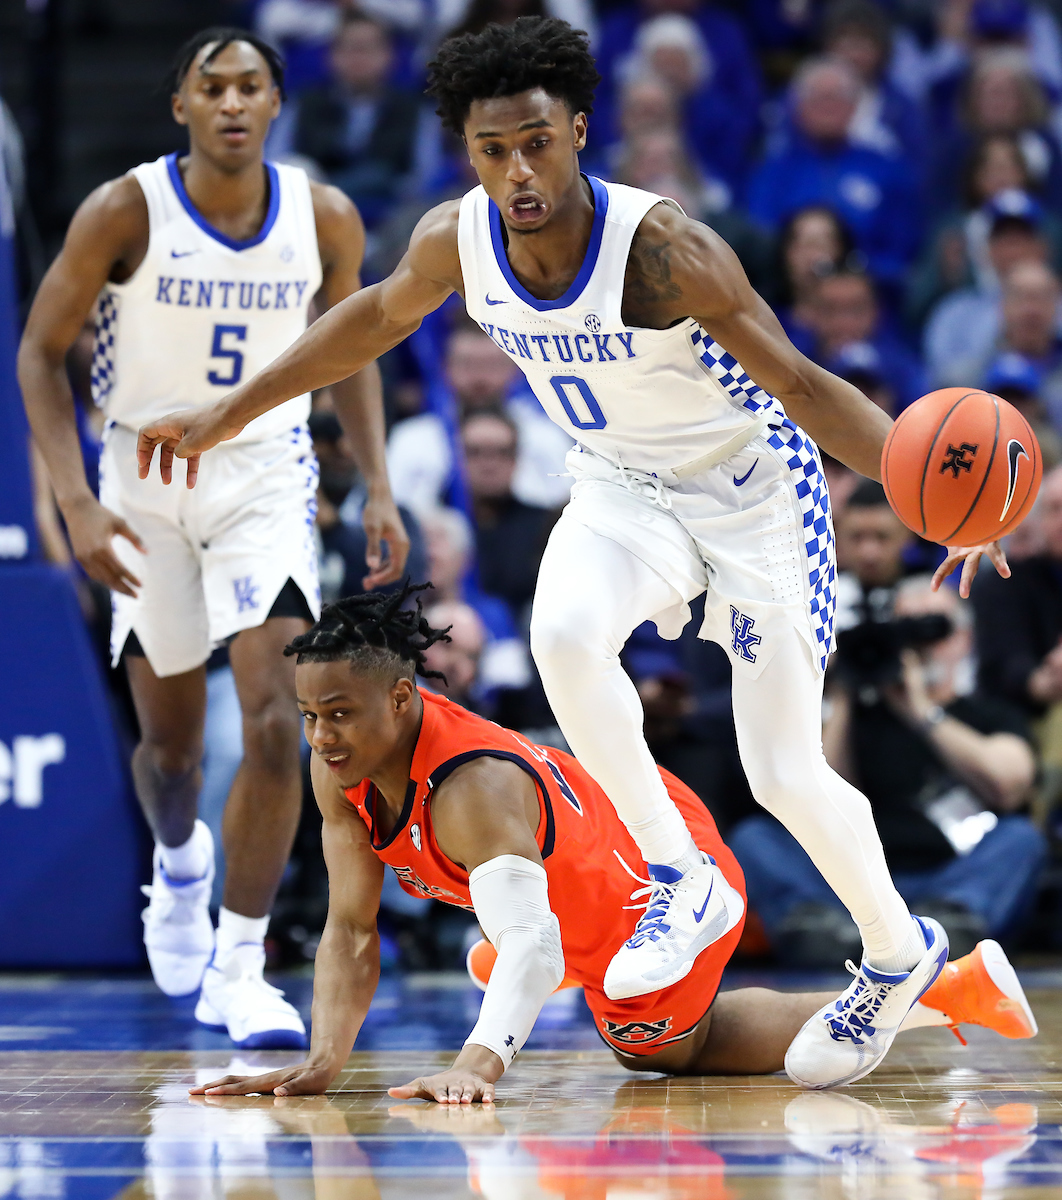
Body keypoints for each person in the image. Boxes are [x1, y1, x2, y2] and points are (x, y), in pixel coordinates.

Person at [137, 17, 1009, 1090]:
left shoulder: (663, 250)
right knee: (563, 631)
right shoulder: (457, 237)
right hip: (621, 484)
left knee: (782, 767)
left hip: (753, 491)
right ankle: (677, 872)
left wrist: (941, 502)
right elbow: (367, 320)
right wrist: (233, 410)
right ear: (469, 150)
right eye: (493, 150)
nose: (519, 172)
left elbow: (801, 383)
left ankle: (895, 952)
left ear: (580, 131)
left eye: (538, 143)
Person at [187, 589, 1037, 1101]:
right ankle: (945, 990)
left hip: (649, 868)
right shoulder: (337, 768)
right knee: (551, 956)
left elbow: (530, 941)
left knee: (663, 1050)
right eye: (310, 716)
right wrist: (323, 1062)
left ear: (403, 698)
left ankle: (941, 993)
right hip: (576, 865)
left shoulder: (472, 790)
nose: (323, 736)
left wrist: (479, 1064)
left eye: (340, 714)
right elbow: (350, 929)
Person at [17, 27, 409, 1048]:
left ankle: (243, 963)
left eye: (251, 86)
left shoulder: (323, 215)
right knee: (174, 754)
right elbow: (39, 353)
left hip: (264, 477)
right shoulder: (124, 209)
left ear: (277, 103)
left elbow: (356, 343)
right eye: (213, 87)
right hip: (142, 481)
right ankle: (180, 865)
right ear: (182, 107)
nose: (233, 102)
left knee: (283, 717)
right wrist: (75, 503)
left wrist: (375, 482)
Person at [732, 576, 1043, 965]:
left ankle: (944, 926)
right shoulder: (857, 717)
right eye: (904, 632)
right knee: (753, 837)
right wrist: (842, 692)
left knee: (1020, 839)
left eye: (932, 630)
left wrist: (922, 712)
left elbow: (1011, 783)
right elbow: (808, 794)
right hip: (857, 886)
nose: (917, 648)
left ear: (963, 640)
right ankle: (826, 930)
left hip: (948, 875)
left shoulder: (986, 712)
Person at [747, 57, 920, 291]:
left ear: (855, 107)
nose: (828, 106)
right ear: (798, 107)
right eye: (818, 98)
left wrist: (856, 271)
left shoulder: (887, 169)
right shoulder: (773, 171)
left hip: (870, 296)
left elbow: (904, 248)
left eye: (837, 97)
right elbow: (760, 238)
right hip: (786, 298)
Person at [386, 324, 573, 512]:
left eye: (492, 365)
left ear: (515, 369)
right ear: (445, 368)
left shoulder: (547, 438)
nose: (479, 378)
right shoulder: (410, 439)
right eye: (467, 364)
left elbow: (569, 510)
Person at [269, 11, 421, 225]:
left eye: (368, 49)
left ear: (390, 55)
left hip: (391, 219)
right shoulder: (303, 103)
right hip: (311, 214)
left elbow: (423, 176)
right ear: (331, 55)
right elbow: (276, 162)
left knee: (380, 177)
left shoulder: (414, 109)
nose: (358, 58)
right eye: (350, 48)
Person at [924, 190, 1053, 388]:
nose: (1013, 249)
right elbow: (943, 384)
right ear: (987, 248)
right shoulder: (954, 312)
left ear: (1042, 246)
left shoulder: (1054, 309)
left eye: (1022, 238)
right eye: (1004, 239)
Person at [462, 409, 555, 618]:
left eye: (501, 452)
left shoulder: (545, 526)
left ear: (516, 459)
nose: (488, 464)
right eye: (474, 452)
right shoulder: (436, 526)